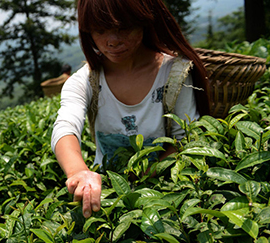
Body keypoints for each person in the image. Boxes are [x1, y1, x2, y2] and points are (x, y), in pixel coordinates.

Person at [51, 0, 211, 218]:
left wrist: (140, 178)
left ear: (144, 22)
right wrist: (79, 173)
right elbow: (65, 127)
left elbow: (185, 140)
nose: (112, 41)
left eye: (123, 28)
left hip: (165, 197)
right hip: (105, 197)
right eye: (100, 30)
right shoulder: (84, 81)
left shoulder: (175, 74)